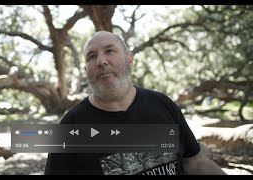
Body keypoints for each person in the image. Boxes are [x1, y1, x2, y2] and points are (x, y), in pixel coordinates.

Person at [44, 31, 227, 175]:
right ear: (86, 70)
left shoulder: (162, 104)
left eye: (109, 51)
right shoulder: (71, 126)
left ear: (129, 59)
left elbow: (195, 163)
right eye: (92, 56)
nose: (101, 61)